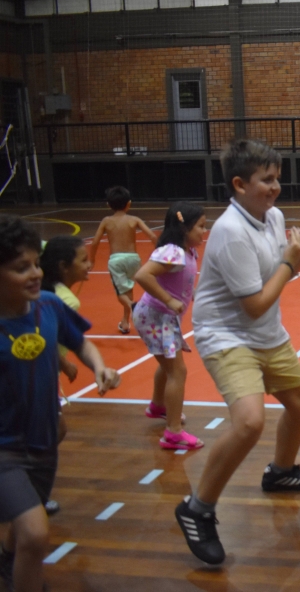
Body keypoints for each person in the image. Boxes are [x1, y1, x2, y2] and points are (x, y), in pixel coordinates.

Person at [176, 139, 300, 566]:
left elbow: (272, 280)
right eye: (267, 179)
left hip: (264, 332)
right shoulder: (229, 232)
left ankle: (281, 472)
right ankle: (197, 508)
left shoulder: (272, 216)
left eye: (277, 178)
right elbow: (255, 303)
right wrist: (291, 263)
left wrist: (295, 257)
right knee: (249, 422)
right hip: (227, 335)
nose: (275, 187)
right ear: (240, 184)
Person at [0, 215, 119, 592]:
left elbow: (80, 341)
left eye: (36, 264)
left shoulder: (49, 305)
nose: (36, 273)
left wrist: (99, 366)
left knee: (24, 531)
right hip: (5, 449)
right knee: (36, 533)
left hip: (44, 440)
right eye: (21, 268)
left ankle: (8, 561)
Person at [133, 202, 207, 451]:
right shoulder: (173, 252)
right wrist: (168, 300)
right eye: (200, 226)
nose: (204, 232)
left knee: (168, 365)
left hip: (162, 317)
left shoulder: (188, 252)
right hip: (156, 317)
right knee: (178, 371)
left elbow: (180, 282)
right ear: (184, 228)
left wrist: (191, 295)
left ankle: (158, 406)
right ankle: (173, 432)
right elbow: (142, 275)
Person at [38, 235, 93, 516]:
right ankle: (32, 491)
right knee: (53, 430)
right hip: (37, 375)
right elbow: (40, 339)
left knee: (54, 430)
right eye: (84, 260)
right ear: (63, 266)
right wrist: (62, 362)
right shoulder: (63, 300)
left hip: (45, 373)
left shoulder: (52, 294)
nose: (90, 264)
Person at [88, 185, 157, 335]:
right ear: (129, 204)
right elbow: (152, 236)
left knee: (121, 293)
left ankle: (134, 306)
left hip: (116, 260)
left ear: (108, 205)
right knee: (128, 289)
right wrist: (158, 252)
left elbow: (95, 242)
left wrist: (92, 260)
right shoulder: (134, 219)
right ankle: (125, 322)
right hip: (133, 259)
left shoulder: (106, 221)